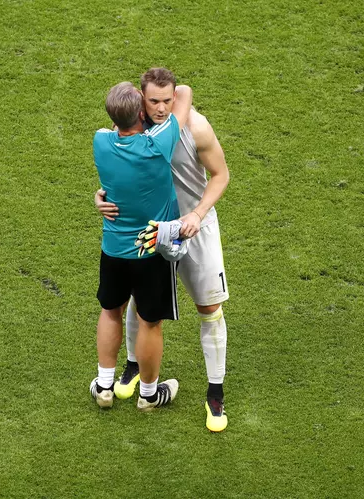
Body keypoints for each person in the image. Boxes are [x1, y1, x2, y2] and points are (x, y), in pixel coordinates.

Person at [95, 67, 231, 432]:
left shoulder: (194, 128)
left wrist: (198, 214)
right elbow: (117, 179)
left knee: (209, 307)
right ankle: (134, 368)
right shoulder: (135, 133)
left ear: (175, 99)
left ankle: (215, 394)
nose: (160, 108)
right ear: (140, 103)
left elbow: (221, 175)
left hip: (195, 228)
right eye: (152, 101)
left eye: (167, 100)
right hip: (155, 232)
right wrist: (100, 198)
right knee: (141, 304)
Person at [90, 79, 192, 412]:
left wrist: (97, 198)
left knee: (110, 311)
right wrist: (156, 106)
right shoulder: (156, 145)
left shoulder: (101, 141)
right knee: (149, 322)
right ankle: (148, 393)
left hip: (113, 249)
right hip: (151, 250)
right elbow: (185, 93)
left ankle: (105, 386)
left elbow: (113, 128)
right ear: (141, 112)